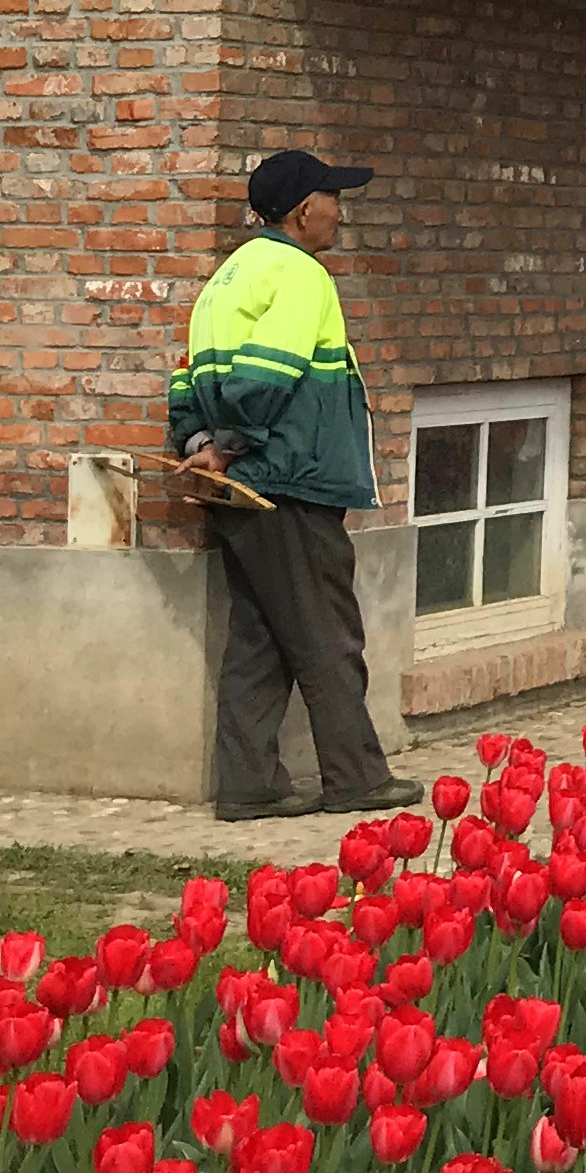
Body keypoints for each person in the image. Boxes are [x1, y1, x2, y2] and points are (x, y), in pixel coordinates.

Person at [170, 150, 424, 822]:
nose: (340, 211)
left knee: (258, 640)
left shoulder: (227, 277)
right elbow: (266, 377)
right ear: (304, 209)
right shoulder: (300, 274)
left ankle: (249, 785)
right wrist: (227, 449)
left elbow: (185, 381)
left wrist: (200, 445)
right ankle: (357, 778)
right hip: (290, 484)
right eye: (333, 198)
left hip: (246, 496)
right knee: (328, 637)